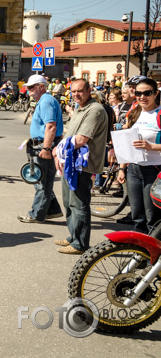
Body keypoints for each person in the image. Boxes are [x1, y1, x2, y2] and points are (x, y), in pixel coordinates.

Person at [53, 78, 108, 254]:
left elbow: (81, 139)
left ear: (89, 90)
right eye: (73, 91)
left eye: (80, 91)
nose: (76, 94)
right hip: (70, 162)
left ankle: (80, 244)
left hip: (83, 165)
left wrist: (57, 149)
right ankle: (74, 236)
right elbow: (69, 134)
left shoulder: (95, 110)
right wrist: (59, 154)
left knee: (79, 204)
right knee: (69, 202)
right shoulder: (79, 108)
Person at [17, 75, 64, 223]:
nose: (28, 90)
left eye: (31, 87)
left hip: (45, 144)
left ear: (41, 87)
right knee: (43, 179)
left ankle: (36, 214)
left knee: (42, 181)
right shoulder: (44, 101)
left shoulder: (46, 101)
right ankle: (51, 210)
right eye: (28, 87)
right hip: (42, 143)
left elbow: (50, 126)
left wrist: (46, 148)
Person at [117, 77, 161, 234]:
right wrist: (122, 168)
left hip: (154, 170)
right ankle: (140, 252)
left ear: (155, 94)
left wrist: (152, 147)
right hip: (134, 169)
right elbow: (127, 142)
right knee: (137, 215)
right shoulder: (135, 112)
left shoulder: (159, 114)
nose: (142, 97)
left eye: (147, 93)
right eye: (138, 93)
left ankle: (154, 255)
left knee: (152, 216)